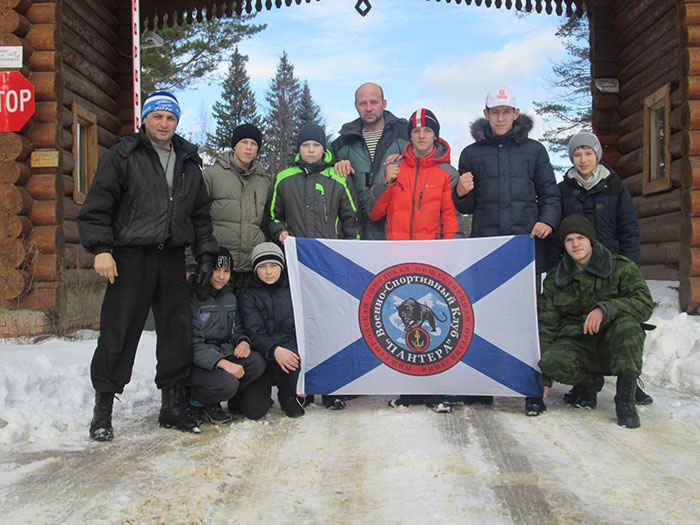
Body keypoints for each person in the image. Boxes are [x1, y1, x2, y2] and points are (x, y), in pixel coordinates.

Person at [78, 91, 219, 441]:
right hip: (130, 256)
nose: (164, 123)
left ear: (177, 121)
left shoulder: (188, 160)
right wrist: (101, 249)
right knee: (119, 331)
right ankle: (103, 411)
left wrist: (205, 255)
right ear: (145, 119)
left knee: (176, 332)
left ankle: (172, 407)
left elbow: (201, 216)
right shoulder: (123, 155)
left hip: (172, 258)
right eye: (157, 116)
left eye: (170, 118)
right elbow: (99, 205)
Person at [453, 87, 560, 416]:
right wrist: (460, 190)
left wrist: (547, 221)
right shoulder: (471, 152)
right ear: (486, 114)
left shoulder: (535, 151)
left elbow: (550, 194)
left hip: (523, 247)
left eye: (506, 111)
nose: (500, 117)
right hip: (486, 247)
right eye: (494, 111)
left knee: (525, 319)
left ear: (516, 114)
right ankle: (485, 385)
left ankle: (530, 389)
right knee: (484, 318)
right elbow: (466, 205)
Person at [368, 108, 460, 413]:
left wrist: (448, 254)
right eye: (416, 131)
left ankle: (437, 390)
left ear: (435, 135)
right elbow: (374, 212)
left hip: (432, 260)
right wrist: (386, 182)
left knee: (435, 327)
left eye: (427, 131)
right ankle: (408, 387)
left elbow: (450, 218)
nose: (421, 136)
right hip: (398, 259)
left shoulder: (446, 172)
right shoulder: (393, 166)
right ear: (410, 136)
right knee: (403, 324)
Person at [554, 131, 652, 406]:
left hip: (612, 267)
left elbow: (630, 230)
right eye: (576, 154)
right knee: (582, 325)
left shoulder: (615, 187)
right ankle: (585, 382)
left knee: (620, 324)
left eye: (587, 153)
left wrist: (629, 268)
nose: (583, 159)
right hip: (578, 269)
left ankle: (630, 381)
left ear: (597, 154)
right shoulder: (563, 190)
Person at [268, 123, 359, 409]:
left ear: (324, 148)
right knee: (299, 327)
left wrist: (349, 257)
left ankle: (331, 389)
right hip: (296, 265)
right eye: (306, 145)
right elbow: (272, 216)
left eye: (316, 146)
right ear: (299, 148)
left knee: (330, 326)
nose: (310, 150)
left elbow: (351, 222)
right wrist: (279, 232)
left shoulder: (338, 178)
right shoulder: (284, 178)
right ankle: (301, 387)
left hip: (329, 266)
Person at [538, 215, 654, 429]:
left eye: (580, 238)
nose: (576, 244)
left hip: (614, 343)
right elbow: (547, 325)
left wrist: (606, 309)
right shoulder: (556, 279)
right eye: (569, 240)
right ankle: (589, 383)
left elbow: (644, 304)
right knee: (551, 361)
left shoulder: (620, 267)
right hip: (579, 343)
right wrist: (544, 379)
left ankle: (626, 401)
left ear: (590, 240)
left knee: (628, 326)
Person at [187, 247, 269, 424]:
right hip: (199, 364)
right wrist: (223, 364)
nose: (221, 277)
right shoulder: (192, 299)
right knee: (228, 382)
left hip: (223, 354)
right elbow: (192, 344)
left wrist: (243, 342)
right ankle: (198, 399)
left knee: (256, 362)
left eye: (226, 271)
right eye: (216, 270)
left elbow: (236, 331)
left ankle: (226, 397)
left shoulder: (229, 298)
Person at [198, 123, 272, 295]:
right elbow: (195, 217)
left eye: (253, 144)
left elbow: (266, 221)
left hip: (250, 265)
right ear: (234, 145)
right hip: (219, 265)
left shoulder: (264, 182)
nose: (248, 147)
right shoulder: (211, 175)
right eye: (244, 142)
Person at [332, 82, 409, 239]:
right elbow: (323, 166)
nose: (368, 108)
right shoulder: (343, 141)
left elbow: (429, 159)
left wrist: (407, 158)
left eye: (374, 102)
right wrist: (335, 164)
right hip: (358, 231)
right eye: (363, 103)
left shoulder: (405, 134)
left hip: (396, 230)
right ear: (356, 106)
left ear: (384, 103)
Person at [239, 243, 306, 418]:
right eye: (262, 267)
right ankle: (249, 394)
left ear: (282, 267)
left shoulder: (294, 291)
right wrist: (274, 349)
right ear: (255, 270)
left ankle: (288, 396)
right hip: (262, 354)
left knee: (292, 357)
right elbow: (254, 331)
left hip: (288, 350)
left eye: (274, 266)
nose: (269, 272)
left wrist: (287, 350)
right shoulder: (248, 296)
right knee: (254, 411)